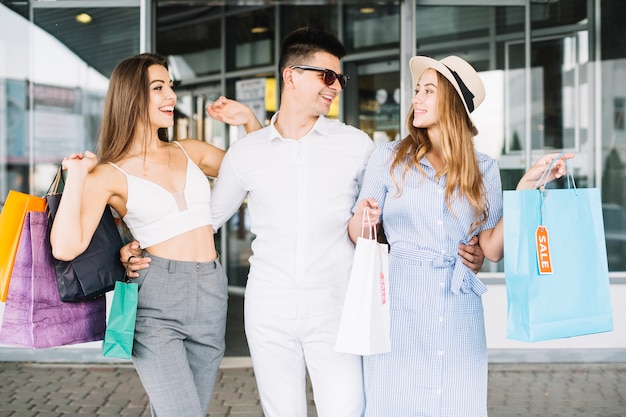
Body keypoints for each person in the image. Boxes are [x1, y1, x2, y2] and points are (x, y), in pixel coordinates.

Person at [122, 28, 485, 417]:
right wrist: (132, 244)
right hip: (268, 309)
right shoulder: (247, 152)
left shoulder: (356, 145)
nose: (335, 87)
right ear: (290, 75)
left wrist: (470, 247)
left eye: (340, 79)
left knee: (347, 411)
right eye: (325, 76)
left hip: (337, 309)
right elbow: (203, 221)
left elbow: (401, 210)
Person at [348, 55, 573, 417]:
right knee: (394, 401)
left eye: (428, 91)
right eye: (417, 90)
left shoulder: (484, 167)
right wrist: (366, 218)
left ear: (452, 103)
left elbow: (491, 249)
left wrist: (528, 186)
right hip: (399, 301)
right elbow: (356, 232)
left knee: (456, 402)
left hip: (459, 305)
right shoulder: (388, 157)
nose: (416, 98)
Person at [49, 53, 230, 417]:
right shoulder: (109, 174)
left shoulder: (190, 150)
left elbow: (258, 172)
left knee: (182, 407)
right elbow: (65, 246)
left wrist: (248, 120)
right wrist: (79, 175)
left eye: (171, 87)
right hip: (156, 299)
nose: (171, 96)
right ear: (131, 96)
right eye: (158, 88)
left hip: (212, 290)